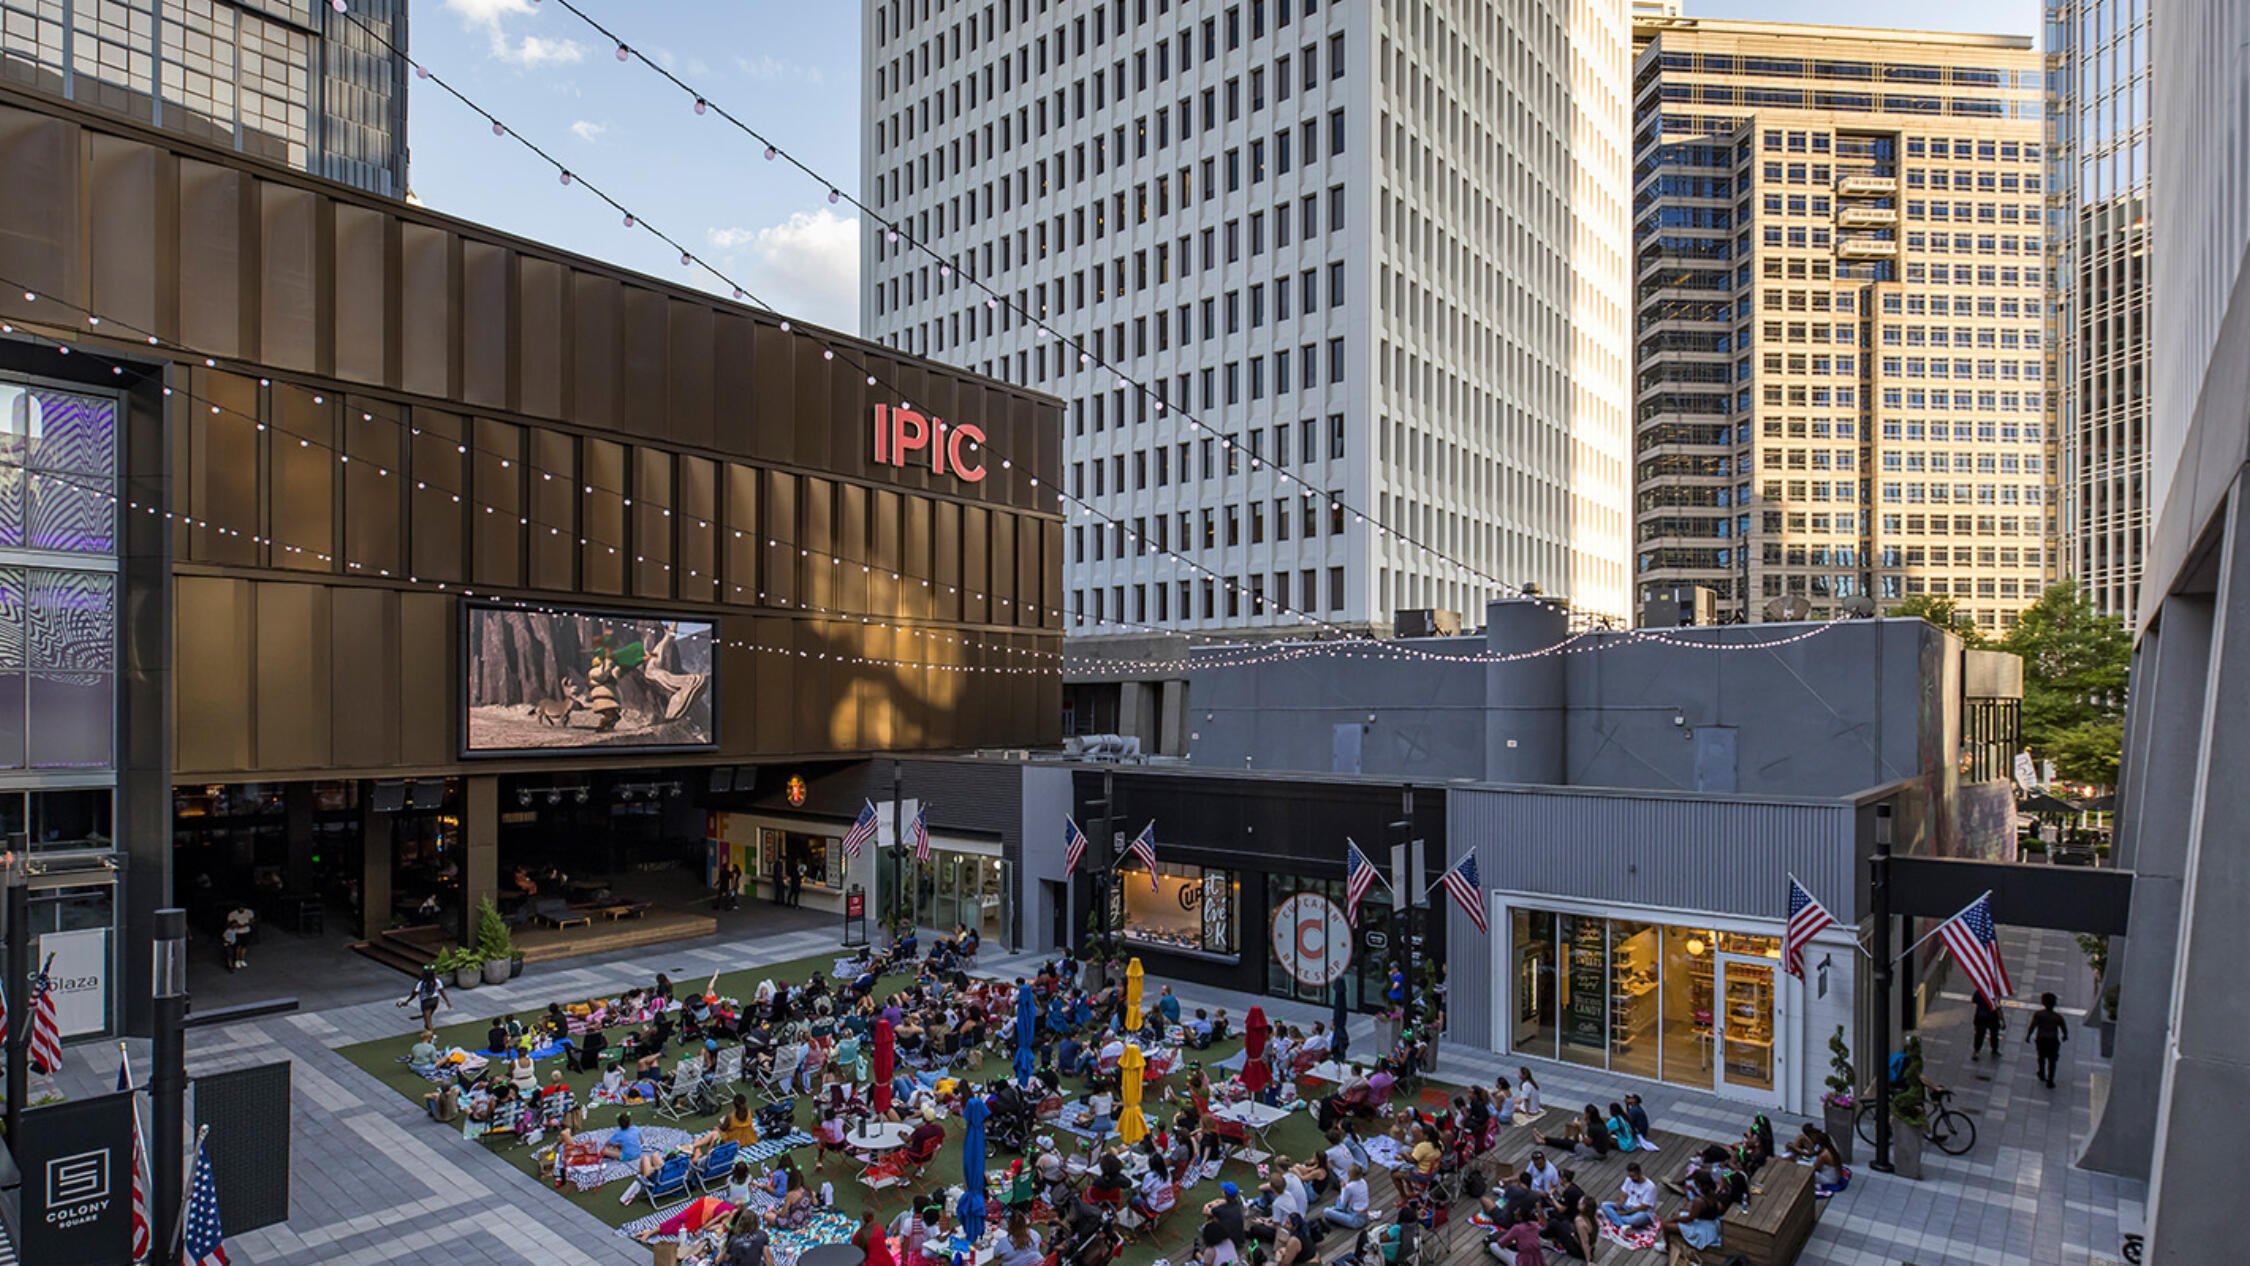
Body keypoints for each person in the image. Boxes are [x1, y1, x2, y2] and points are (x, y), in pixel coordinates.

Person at [2027, 991, 2069, 1088]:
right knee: (2052, 1060)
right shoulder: (2058, 1017)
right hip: (2052, 1039)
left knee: (2041, 1057)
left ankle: (2041, 1073)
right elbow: (2064, 1028)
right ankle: (2050, 1080)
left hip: (2041, 1038)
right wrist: (2065, 1036)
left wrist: (2028, 1035)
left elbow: (2033, 1026)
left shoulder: (2038, 1014)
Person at [603, 1111, 663, 1179]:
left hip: (626, 1156)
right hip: (638, 1153)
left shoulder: (618, 1133)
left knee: (604, 1150)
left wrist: (615, 1145)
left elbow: (607, 1144)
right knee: (619, 1146)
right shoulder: (635, 1128)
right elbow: (641, 1142)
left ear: (619, 1124)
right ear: (630, 1122)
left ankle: (613, 1155)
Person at [1599, 1163, 1659, 1231]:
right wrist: (1620, 1202)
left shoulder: (1650, 1187)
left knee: (1633, 1220)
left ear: (1640, 1173)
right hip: (1628, 1206)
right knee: (1604, 1205)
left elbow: (1644, 1207)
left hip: (1643, 1212)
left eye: (1633, 1176)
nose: (1632, 1178)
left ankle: (1614, 1218)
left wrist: (1626, 1213)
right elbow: (1624, 1193)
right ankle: (1622, 1226)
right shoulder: (1629, 1179)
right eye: (1630, 1176)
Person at [1320, 1163, 1372, 1230]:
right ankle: (1337, 1210)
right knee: (1340, 1199)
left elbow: (1343, 1202)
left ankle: (1336, 1210)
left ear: (1350, 1174)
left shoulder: (1349, 1187)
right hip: (1363, 1214)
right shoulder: (1363, 1181)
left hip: (1356, 1219)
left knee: (1326, 1211)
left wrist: (1343, 1188)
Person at [1972, 991, 2005, 1061]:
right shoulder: (1995, 994)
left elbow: (1974, 1000)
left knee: (1979, 1035)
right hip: (1992, 1018)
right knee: (1993, 1035)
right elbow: (1998, 1008)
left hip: (1981, 1017)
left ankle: (1976, 1051)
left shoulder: (1979, 992)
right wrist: (2002, 1020)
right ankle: (1994, 1049)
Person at [222, 904, 254, 970]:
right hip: (237, 933)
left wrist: (245, 925)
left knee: (244, 947)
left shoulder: (249, 912)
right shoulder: (232, 914)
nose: (241, 908)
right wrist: (240, 926)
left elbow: (251, 921)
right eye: (240, 907)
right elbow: (229, 923)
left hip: (246, 932)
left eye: (242, 907)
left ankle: (242, 960)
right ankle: (237, 960)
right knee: (237, 947)